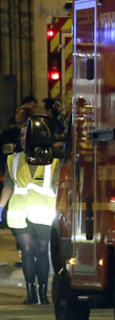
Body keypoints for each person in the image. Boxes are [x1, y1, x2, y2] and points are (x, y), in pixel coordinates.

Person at [0, 124, 60, 305]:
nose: (23, 138)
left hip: (43, 214)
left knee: (40, 252)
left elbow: (58, 187)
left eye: (27, 134)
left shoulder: (54, 162)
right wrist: (0, 207)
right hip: (20, 214)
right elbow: (9, 185)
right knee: (28, 250)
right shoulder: (13, 159)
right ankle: (32, 293)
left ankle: (40, 293)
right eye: (22, 135)